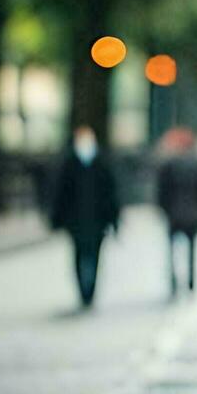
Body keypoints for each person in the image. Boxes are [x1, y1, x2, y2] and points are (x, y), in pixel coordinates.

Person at [49, 125, 119, 307]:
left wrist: (113, 219)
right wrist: (57, 219)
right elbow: (61, 194)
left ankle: (90, 291)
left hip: (97, 222)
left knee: (94, 256)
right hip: (76, 222)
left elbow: (111, 195)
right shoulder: (70, 165)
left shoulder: (102, 164)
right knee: (79, 255)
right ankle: (83, 290)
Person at [156, 127, 197, 295]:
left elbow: (162, 193)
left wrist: (165, 210)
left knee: (173, 252)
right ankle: (190, 282)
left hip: (175, 216)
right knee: (190, 251)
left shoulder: (168, 167)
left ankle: (175, 283)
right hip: (193, 216)